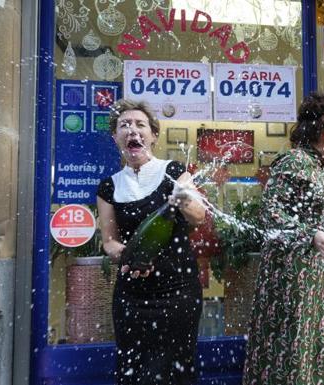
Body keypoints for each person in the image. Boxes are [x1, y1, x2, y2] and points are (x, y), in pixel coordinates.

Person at [242, 93, 324, 385]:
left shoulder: (318, 168)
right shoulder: (294, 160)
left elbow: (321, 219)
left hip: (309, 276)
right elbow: (270, 214)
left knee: (305, 347)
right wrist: (309, 235)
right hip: (288, 278)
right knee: (288, 348)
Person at [97, 99, 206, 385]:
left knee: (175, 371)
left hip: (178, 293)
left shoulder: (175, 172)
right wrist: (121, 253)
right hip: (132, 295)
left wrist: (183, 197)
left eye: (139, 124)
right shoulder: (109, 186)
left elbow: (198, 217)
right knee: (134, 372)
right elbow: (108, 240)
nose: (132, 129)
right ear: (115, 138)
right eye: (124, 125)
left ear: (153, 135)